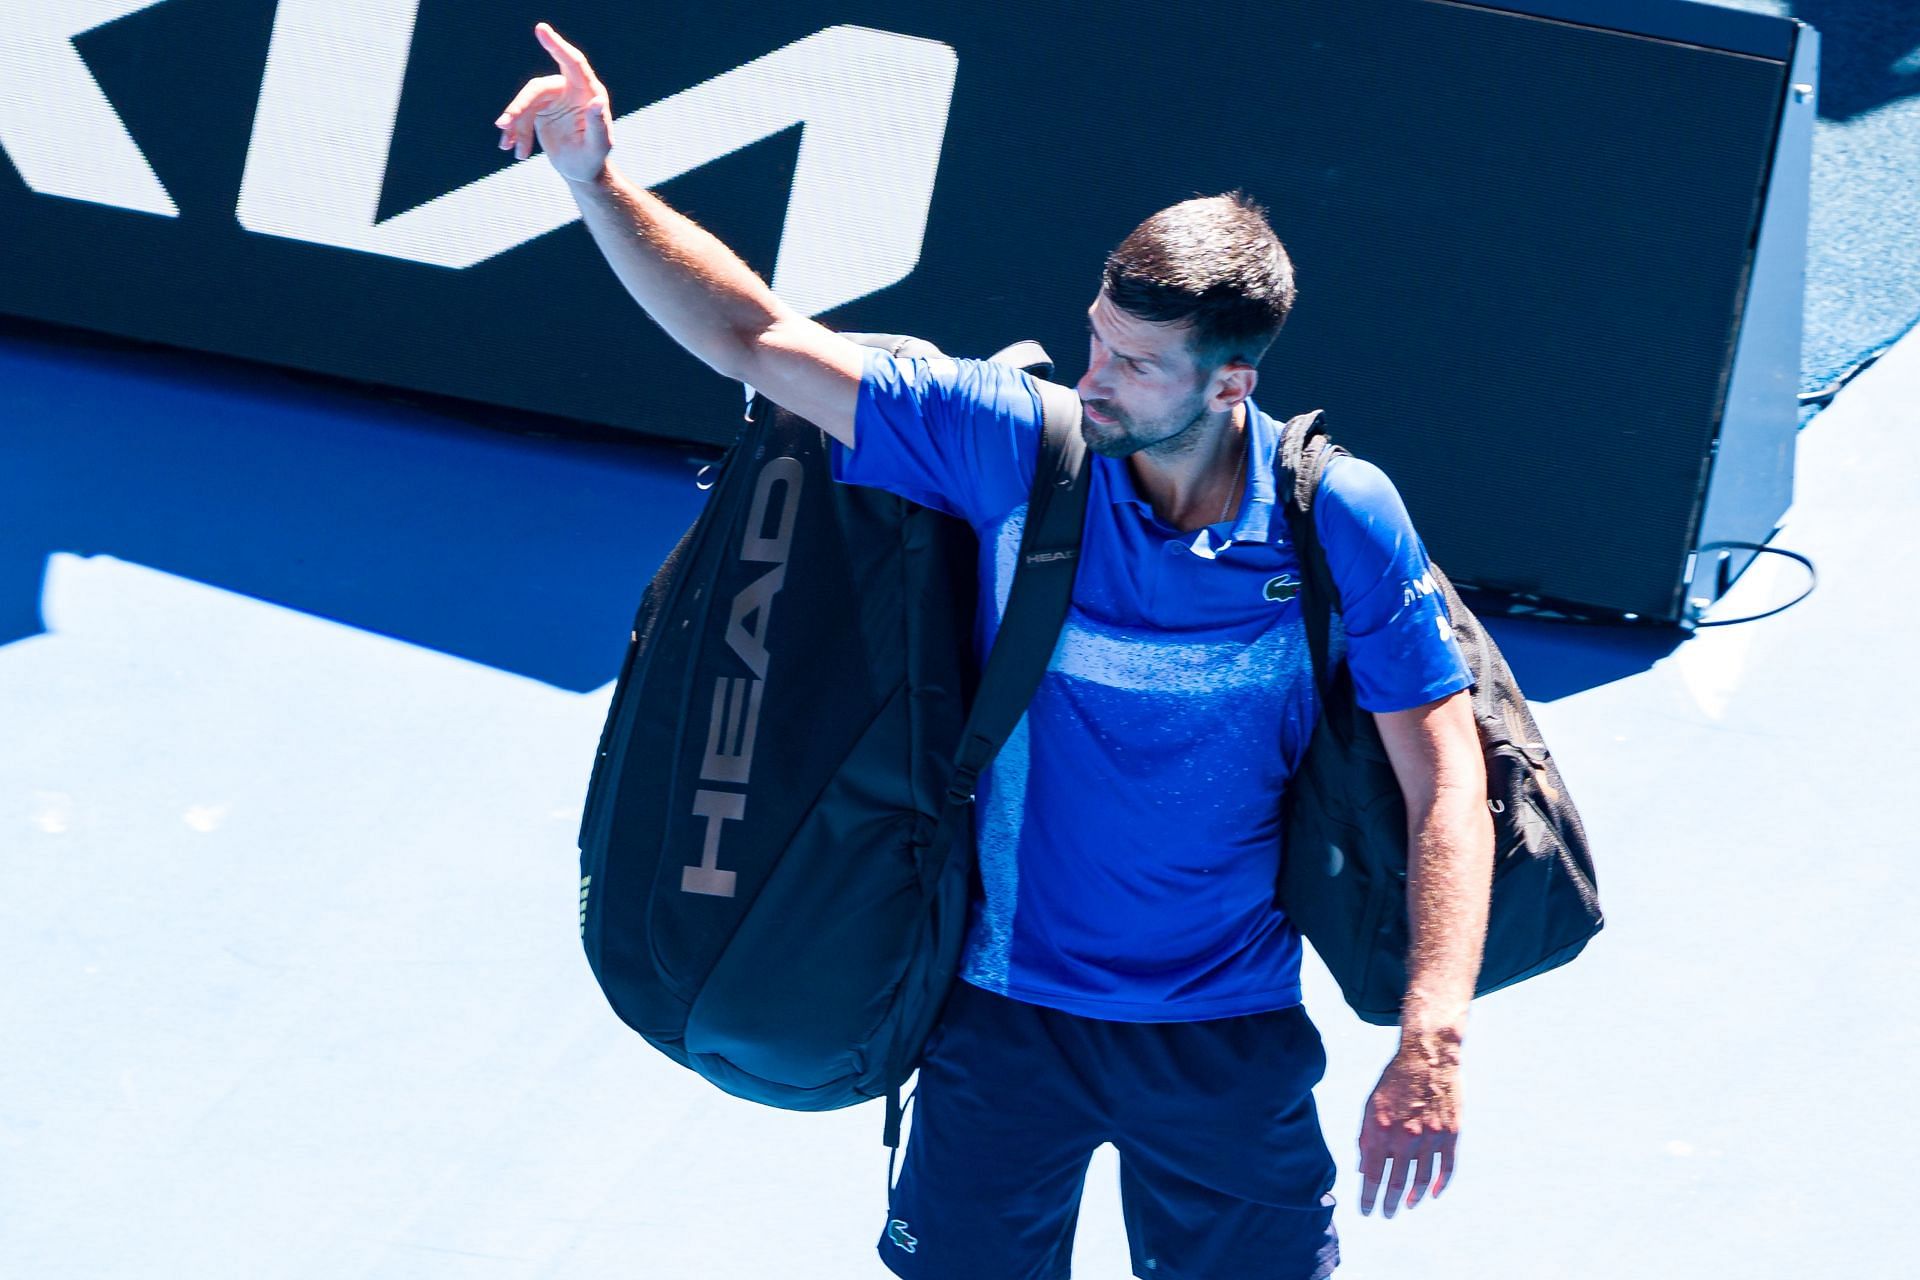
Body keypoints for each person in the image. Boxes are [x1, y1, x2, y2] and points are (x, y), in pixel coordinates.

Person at [496, 21, 1495, 1280]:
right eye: (1095, 340)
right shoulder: (1013, 445)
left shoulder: (1333, 515)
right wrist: (598, 181)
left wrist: (1431, 1036)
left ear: (1231, 384)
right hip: (999, 1013)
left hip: (1226, 1030)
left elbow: (1445, 775)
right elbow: (753, 336)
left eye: (1134, 365)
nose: (1095, 378)